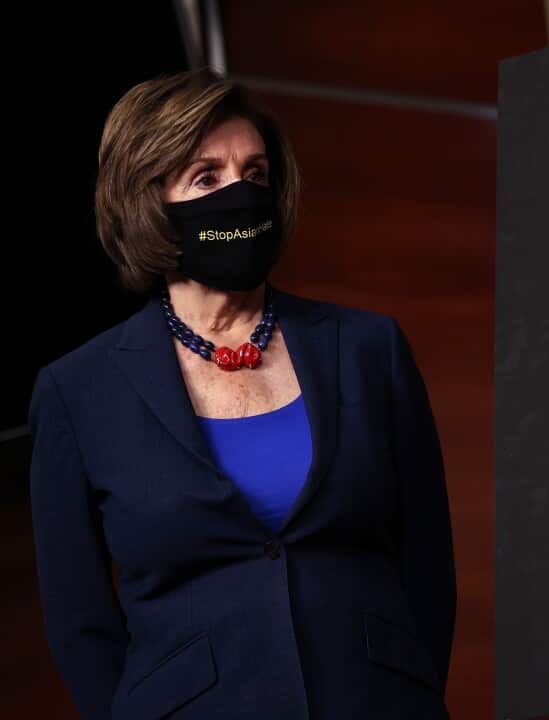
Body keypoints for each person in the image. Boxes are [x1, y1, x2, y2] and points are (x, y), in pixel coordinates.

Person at [27, 68, 456, 720]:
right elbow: (79, 619)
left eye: (254, 175)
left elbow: (428, 567)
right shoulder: (76, 391)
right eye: (207, 178)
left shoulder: (370, 349)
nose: (240, 195)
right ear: (148, 203)